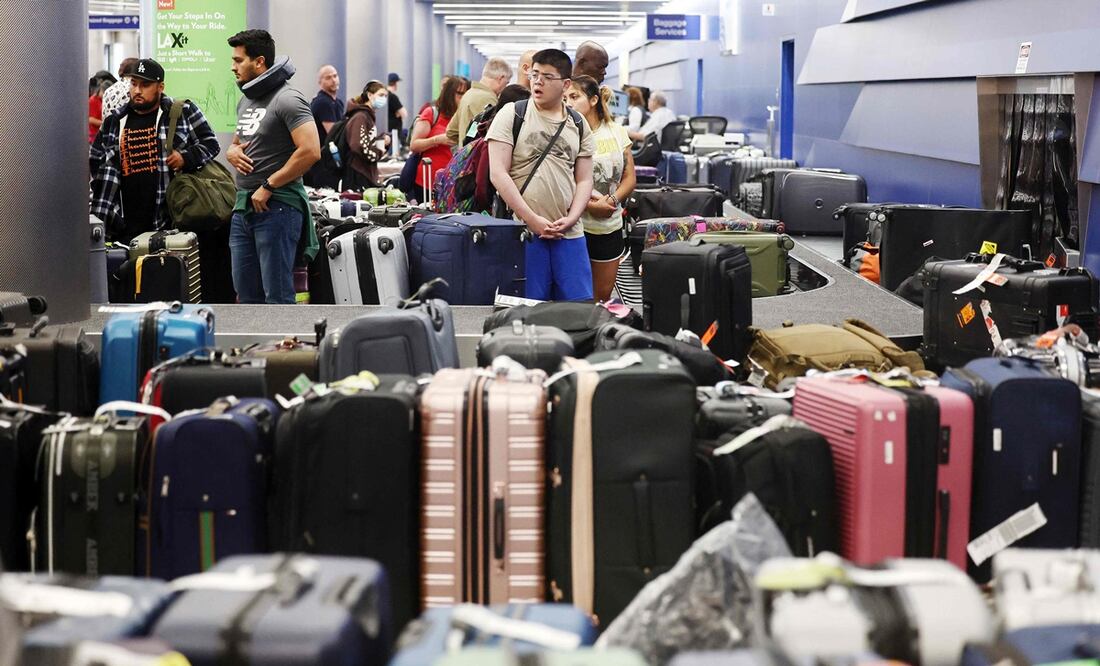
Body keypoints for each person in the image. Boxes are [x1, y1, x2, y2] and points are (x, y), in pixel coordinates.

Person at [487, 49, 595, 301]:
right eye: (535, 75)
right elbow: (498, 173)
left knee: (578, 312)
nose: (538, 81)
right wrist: (532, 219)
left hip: (569, 234)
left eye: (547, 76)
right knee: (527, 312)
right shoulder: (513, 114)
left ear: (565, 84)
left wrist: (572, 217)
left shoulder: (578, 124)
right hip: (523, 232)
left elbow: (585, 179)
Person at [226, 29, 321, 305]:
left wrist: (269, 185)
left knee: (278, 298)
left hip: (277, 208)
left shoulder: (288, 98)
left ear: (259, 62)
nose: (233, 67)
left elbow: (311, 150)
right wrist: (231, 151)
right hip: (243, 209)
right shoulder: (246, 99)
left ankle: (281, 349)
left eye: (238, 60)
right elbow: (238, 142)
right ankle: (251, 349)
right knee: (246, 297)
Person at [90, 58, 221, 243]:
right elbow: (96, 157)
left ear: (160, 87)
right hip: (123, 224)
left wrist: (186, 158)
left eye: (145, 85)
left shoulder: (182, 112)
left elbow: (211, 143)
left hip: (171, 221)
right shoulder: (115, 120)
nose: (137, 90)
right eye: (134, 84)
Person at [566, 75, 635, 302]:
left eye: (574, 97)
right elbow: (562, 181)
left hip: (610, 225)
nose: (568, 102)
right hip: (576, 226)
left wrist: (612, 201)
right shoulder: (566, 134)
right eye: (565, 97)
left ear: (594, 100)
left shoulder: (616, 131)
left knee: (601, 297)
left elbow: (629, 177)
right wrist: (589, 206)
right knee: (577, 297)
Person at [409, 76, 468, 197]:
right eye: (459, 94)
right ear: (449, 94)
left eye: (465, 94)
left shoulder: (464, 116)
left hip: (453, 181)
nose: (462, 98)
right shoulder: (432, 113)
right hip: (427, 181)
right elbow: (414, 145)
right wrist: (437, 140)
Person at [446, 57, 512, 147]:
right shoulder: (488, 100)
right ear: (501, 78)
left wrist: (464, 145)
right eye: (506, 83)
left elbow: (451, 132)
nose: (505, 87)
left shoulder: (468, 94)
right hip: (478, 159)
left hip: (467, 158)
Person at [342, 81, 392, 190]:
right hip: (358, 172)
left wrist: (382, 140)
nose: (383, 99)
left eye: (385, 96)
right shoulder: (361, 116)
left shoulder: (367, 116)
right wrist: (378, 152)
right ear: (369, 95)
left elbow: (367, 140)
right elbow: (358, 144)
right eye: (380, 95)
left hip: (365, 171)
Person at [306, 64, 343, 188]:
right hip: (322, 164)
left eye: (335, 76)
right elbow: (334, 134)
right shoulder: (323, 103)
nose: (333, 80)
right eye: (328, 77)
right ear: (320, 82)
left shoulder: (337, 103)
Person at [387, 72, 407, 145]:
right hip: (394, 131)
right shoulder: (392, 97)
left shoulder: (383, 96)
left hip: (386, 131)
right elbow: (404, 114)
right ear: (395, 84)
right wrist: (398, 113)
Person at [88, 79, 110, 143]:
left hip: (103, 133)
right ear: (100, 90)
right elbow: (90, 119)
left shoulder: (105, 100)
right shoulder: (92, 101)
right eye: (105, 93)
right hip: (94, 135)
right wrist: (105, 123)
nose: (106, 96)